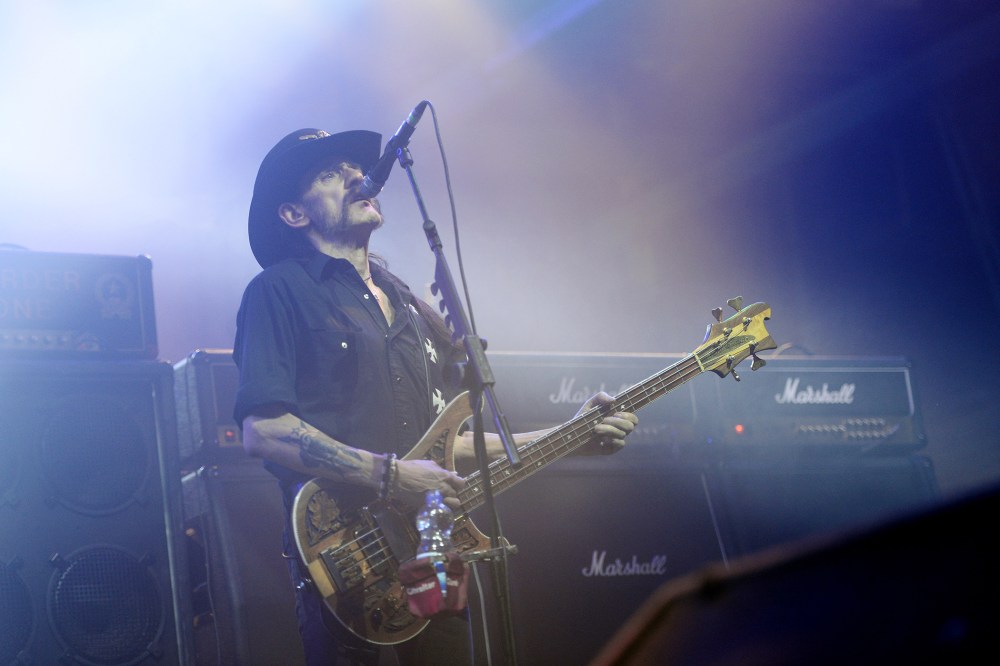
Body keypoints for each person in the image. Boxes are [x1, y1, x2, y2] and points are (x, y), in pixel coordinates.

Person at [232, 127, 639, 665]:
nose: (358, 176)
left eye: (356, 168)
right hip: (343, 557)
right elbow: (264, 430)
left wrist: (569, 437)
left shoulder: (408, 305)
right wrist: (394, 476)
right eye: (331, 174)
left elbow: (448, 445)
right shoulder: (278, 292)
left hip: (432, 549)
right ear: (294, 214)